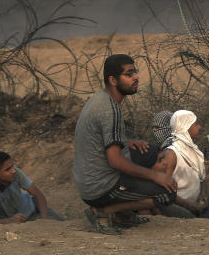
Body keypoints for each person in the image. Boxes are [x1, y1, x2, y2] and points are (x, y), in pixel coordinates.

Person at [73, 54, 178, 234]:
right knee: (167, 193)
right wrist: (156, 176)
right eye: (129, 74)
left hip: (89, 180)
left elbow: (99, 139)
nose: (136, 77)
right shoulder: (110, 110)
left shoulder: (100, 98)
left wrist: (127, 142)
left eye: (135, 72)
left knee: (149, 152)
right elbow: (115, 161)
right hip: (100, 187)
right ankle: (105, 211)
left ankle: (124, 215)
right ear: (113, 80)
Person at [0, 151, 63, 223]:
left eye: (12, 166)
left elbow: (38, 195)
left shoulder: (16, 173)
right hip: (22, 220)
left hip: (34, 206)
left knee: (60, 224)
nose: (13, 171)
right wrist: (9, 221)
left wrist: (44, 219)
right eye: (7, 169)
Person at [156, 110, 208, 218]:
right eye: (196, 124)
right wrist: (186, 204)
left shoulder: (195, 151)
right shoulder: (171, 154)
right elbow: (162, 190)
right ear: (186, 126)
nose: (200, 127)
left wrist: (203, 194)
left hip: (194, 205)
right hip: (178, 207)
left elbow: (202, 178)